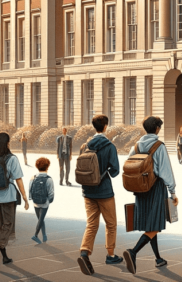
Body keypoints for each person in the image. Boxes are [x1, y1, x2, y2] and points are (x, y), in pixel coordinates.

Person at [122, 116, 179, 274]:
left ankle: (158, 258)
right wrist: (173, 192)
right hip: (155, 188)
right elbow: (166, 171)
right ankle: (133, 252)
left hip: (140, 189)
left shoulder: (137, 145)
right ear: (157, 129)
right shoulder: (159, 146)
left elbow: (129, 164)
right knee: (156, 225)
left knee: (150, 224)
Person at [76, 114, 124, 274]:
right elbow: (116, 170)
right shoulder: (109, 146)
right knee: (111, 224)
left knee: (91, 223)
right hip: (104, 191)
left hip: (87, 191)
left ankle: (84, 252)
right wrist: (105, 172)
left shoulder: (85, 145)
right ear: (105, 127)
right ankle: (110, 255)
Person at [0, 132, 29, 271]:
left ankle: (4, 257)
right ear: (7, 144)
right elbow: (18, 179)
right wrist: (25, 198)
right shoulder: (12, 159)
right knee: (8, 225)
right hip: (8, 196)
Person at [29, 157, 55, 244]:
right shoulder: (49, 179)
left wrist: (32, 199)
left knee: (40, 219)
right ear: (47, 167)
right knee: (41, 219)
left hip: (35, 202)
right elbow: (51, 193)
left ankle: (44, 235)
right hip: (44, 203)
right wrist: (49, 201)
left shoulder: (33, 177)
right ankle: (35, 235)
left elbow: (30, 189)